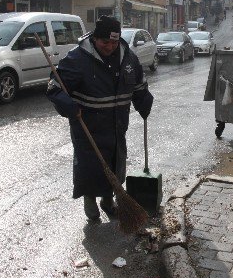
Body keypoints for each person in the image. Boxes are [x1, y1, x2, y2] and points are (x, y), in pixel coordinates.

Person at [46, 16, 154, 221]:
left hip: (117, 125)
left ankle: (108, 200)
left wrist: (143, 100)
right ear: (95, 38)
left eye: (114, 42)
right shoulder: (78, 59)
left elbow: (138, 83)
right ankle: (90, 200)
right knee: (91, 167)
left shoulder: (129, 58)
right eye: (105, 42)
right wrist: (67, 104)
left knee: (115, 164)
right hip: (88, 126)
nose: (110, 47)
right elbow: (54, 87)